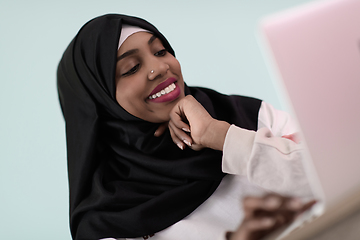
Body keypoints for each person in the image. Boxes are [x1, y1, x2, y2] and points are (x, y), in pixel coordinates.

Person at [57, 14, 313, 240]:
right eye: (132, 68)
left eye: (160, 51)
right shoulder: (108, 223)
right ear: (101, 103)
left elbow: (339, 171)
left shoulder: (248, 116)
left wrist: (221, 136)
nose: (160, 68)